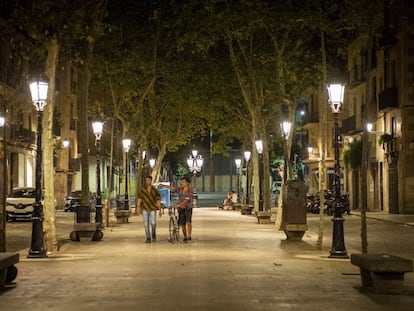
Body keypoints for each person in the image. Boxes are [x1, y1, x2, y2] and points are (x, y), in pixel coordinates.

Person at [159, 177, 193, 242]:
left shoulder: (190, 191)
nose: (182, 183)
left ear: (187, 183)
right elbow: (173, 188)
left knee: (188, 222)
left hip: (188, 208)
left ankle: (189, 236)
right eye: (182, 182)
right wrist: (163, 185)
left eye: (183, 182)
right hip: (181, 209)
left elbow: (186, 200)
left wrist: (178, 205)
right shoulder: (180, 190)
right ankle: (185, 236)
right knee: (182, 223)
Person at [136, 175, 162, 243]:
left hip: (153, 208)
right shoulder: (142, 190)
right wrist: (138, 207)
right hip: (145, 208)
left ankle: (153, 234)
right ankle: (148, 237)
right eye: (146, 180)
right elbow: (140, 198)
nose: (147, 181)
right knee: (146, 224)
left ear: (151, 180)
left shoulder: (155, 190)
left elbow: (158, 200)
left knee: (153, 223)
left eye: (148, 180)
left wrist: (160, 210)